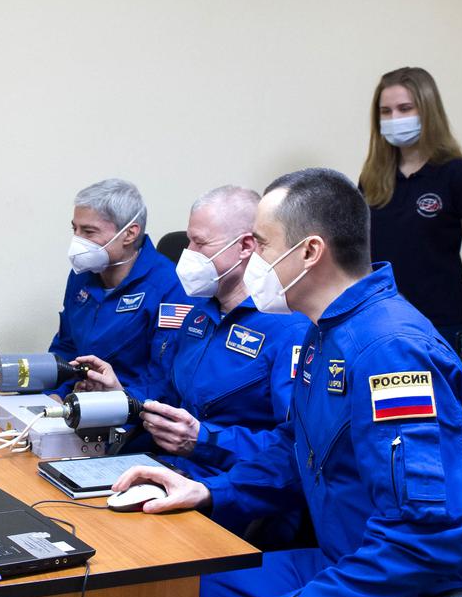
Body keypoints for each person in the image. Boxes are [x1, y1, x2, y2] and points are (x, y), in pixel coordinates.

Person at [114, 168, 462, 597]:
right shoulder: (327, 330)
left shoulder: (392, 352)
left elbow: (423, 535)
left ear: (310, 252)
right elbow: (295, 452)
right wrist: (211, 492)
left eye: (263, 244)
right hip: (341, 570)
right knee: (153, 591)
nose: (252, 258)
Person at [75, 185, 309, 481]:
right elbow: (170, 393)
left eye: (200, 243)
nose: (188, 254)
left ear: (246, 246)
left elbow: (296, 447)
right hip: (169, 467)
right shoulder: (200, 312)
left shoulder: (289, 328)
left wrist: (205, 440)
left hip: (231, 483)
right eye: (188, 241)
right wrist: (120, 397)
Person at [360, 67, 462, 352]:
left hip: (443, 323)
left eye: (405, 108)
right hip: (384, 321)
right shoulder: (372, 178)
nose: (395, 118)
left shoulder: (460, 175)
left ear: (428, 111)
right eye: (386, 111)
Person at [48, 178, 189, 392]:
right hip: (78, 405)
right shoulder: (82, 275)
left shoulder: (170, 287)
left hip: (132, 412)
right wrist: (56, 395)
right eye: (74, 229)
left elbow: (163, 378)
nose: (77, 241)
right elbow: (66, 348)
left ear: (129, 234)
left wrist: (116, 402)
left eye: (88, 232)